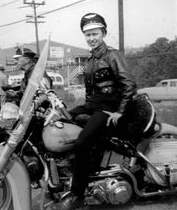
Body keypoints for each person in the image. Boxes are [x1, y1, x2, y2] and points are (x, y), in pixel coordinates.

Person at [47, 13, 137, 210]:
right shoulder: (90, 60)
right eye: (87, 35)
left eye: (95, 33)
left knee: (82, 142)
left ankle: (77, 196)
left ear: (103, 33)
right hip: (94, 106)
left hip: (110, 109)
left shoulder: (113, 55)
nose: (91, 38)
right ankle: (59, 178)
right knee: (64, 118)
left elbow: (129, 84)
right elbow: (91, 94)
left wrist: (120, 112)